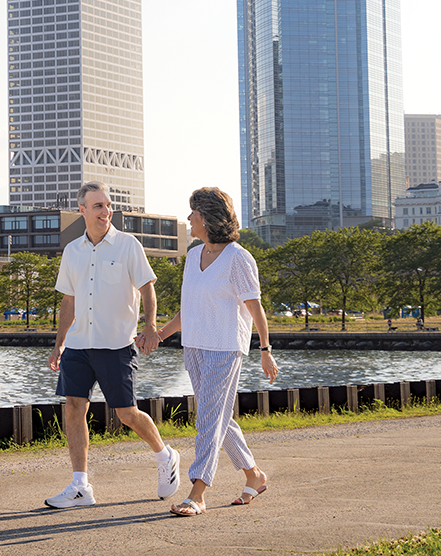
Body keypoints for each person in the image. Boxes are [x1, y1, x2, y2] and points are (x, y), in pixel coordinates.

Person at [44, 181, 180, 508]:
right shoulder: (72, 250)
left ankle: (165, 456)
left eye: (107, 205)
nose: (105, 212)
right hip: (78, 345)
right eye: (98, 206)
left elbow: (147, 289)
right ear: (82, 210)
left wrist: (150, 326)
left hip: (116, 345)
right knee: (74, 408)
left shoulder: (128, 245)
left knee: (127, 413)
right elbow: (67, 303)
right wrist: (59, 344)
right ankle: (80, 486)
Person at [154, 187, 279, 517]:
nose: (188, 218)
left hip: (225, 348)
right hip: (194, 345)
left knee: (208, 417)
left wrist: (265, 350)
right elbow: (188, 309)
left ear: (208, 218)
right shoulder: (194, 255)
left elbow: (255, 308)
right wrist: (159, 334)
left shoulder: (239, 258)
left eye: (193, 212)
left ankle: (198, 492)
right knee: (219, 416)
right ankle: (254, 475)